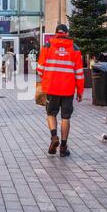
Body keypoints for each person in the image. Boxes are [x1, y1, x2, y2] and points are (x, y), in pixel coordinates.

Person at [36, 24, 84, 157]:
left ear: (56, 33)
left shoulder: (47, 46)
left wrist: (47, 78)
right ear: (67, 33)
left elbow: (40, 69)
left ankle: (53, 137)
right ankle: (63, 147)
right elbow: (79, 73)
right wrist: (80, 91)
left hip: (51, 88)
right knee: (65, 117)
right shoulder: (75, 49)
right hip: (68, 89)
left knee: (51, 113)